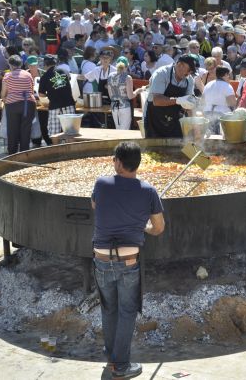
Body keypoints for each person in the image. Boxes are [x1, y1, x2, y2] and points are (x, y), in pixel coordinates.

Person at [91, 141, 164, 380]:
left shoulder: (101, 184)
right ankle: (120, 365)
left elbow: (96, 206)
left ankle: (113, 354)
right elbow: (159, 227)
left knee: (109, 308)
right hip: (128, 261)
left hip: (101, 259)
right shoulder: (148, 191)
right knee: (126, 311)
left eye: (114, 159)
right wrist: (142, 227)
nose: (113, 162)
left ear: (119, 163)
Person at [145, 55, 196, 138]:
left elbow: (189, 104)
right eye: (189, 70)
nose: (189, 74)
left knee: (176, 147)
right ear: (179, 65)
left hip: (174, 121)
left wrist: (195, 126)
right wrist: (178, 100)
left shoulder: (189, 79)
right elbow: (156, 100)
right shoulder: (161, 74)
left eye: (191, 72)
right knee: (153, 149)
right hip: (154, 119)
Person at [1, 55, 36, 154]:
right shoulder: (28, 75)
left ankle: (12, 153)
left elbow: (3, 93)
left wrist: (5, 99)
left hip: (12, 105)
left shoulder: (7, 76)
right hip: (28, 104)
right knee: (26, 129)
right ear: (20, 64)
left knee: (12, 129)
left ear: (10, 64)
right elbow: (31, 91)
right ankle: (24, 153)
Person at [38, 55, 76, 137]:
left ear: (45, 65)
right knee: (71, 131)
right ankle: (71, 149)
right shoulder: (64, 71)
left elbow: (41, 94)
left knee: (54, 133)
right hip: (68, 104)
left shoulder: (44, 77)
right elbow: (69, 79)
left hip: (55, 106)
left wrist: (50, 92)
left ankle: (56, 148)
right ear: (56, 63)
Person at [107, 57, 147, 130]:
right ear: (127, 66)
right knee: (124, 132)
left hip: (114, 107)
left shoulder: (110, 76)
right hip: (125, 107)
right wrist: (138, 91)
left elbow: (110, 95)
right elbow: (130, 96)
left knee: (117, 129)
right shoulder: (127, 77)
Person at [202, 66, 236, 132]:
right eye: (228, 75)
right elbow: (232, 103)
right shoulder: (227, 86)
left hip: (207, 114)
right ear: (225, 75)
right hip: (221, 115)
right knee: (219, 138)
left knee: (209, 138)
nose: (229, 77)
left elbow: (202, 101)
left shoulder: (208, 84)